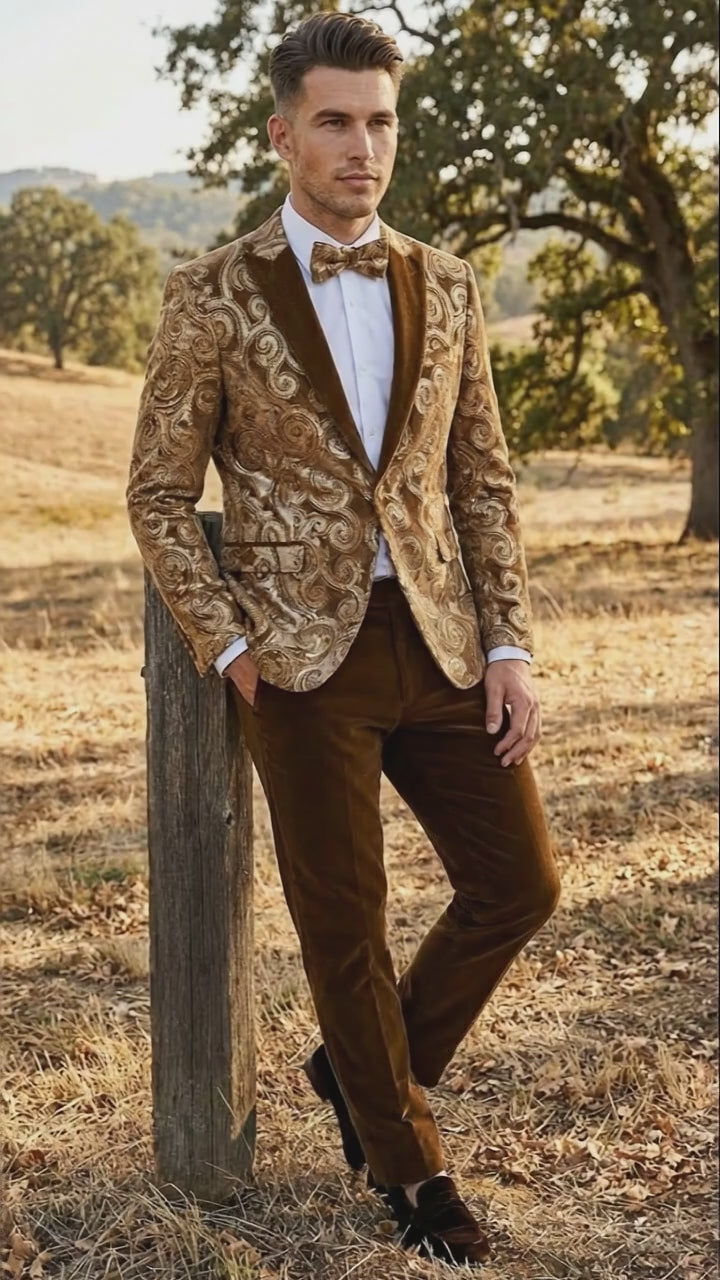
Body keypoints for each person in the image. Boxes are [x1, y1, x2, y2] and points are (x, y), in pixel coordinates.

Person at [127, 11, 560, 1267]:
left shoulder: (449, 281)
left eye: (378, 121)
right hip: (297, 660)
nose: (362, 146)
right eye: (335, 122)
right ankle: (413, 1171)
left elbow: (481, 479)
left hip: (440, 637)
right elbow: (158, 492)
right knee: (345, 921)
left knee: (521, 881)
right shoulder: (211, 293)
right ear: (284, 136)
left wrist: (510, 644)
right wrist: (225, 644)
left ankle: (359, 1073)